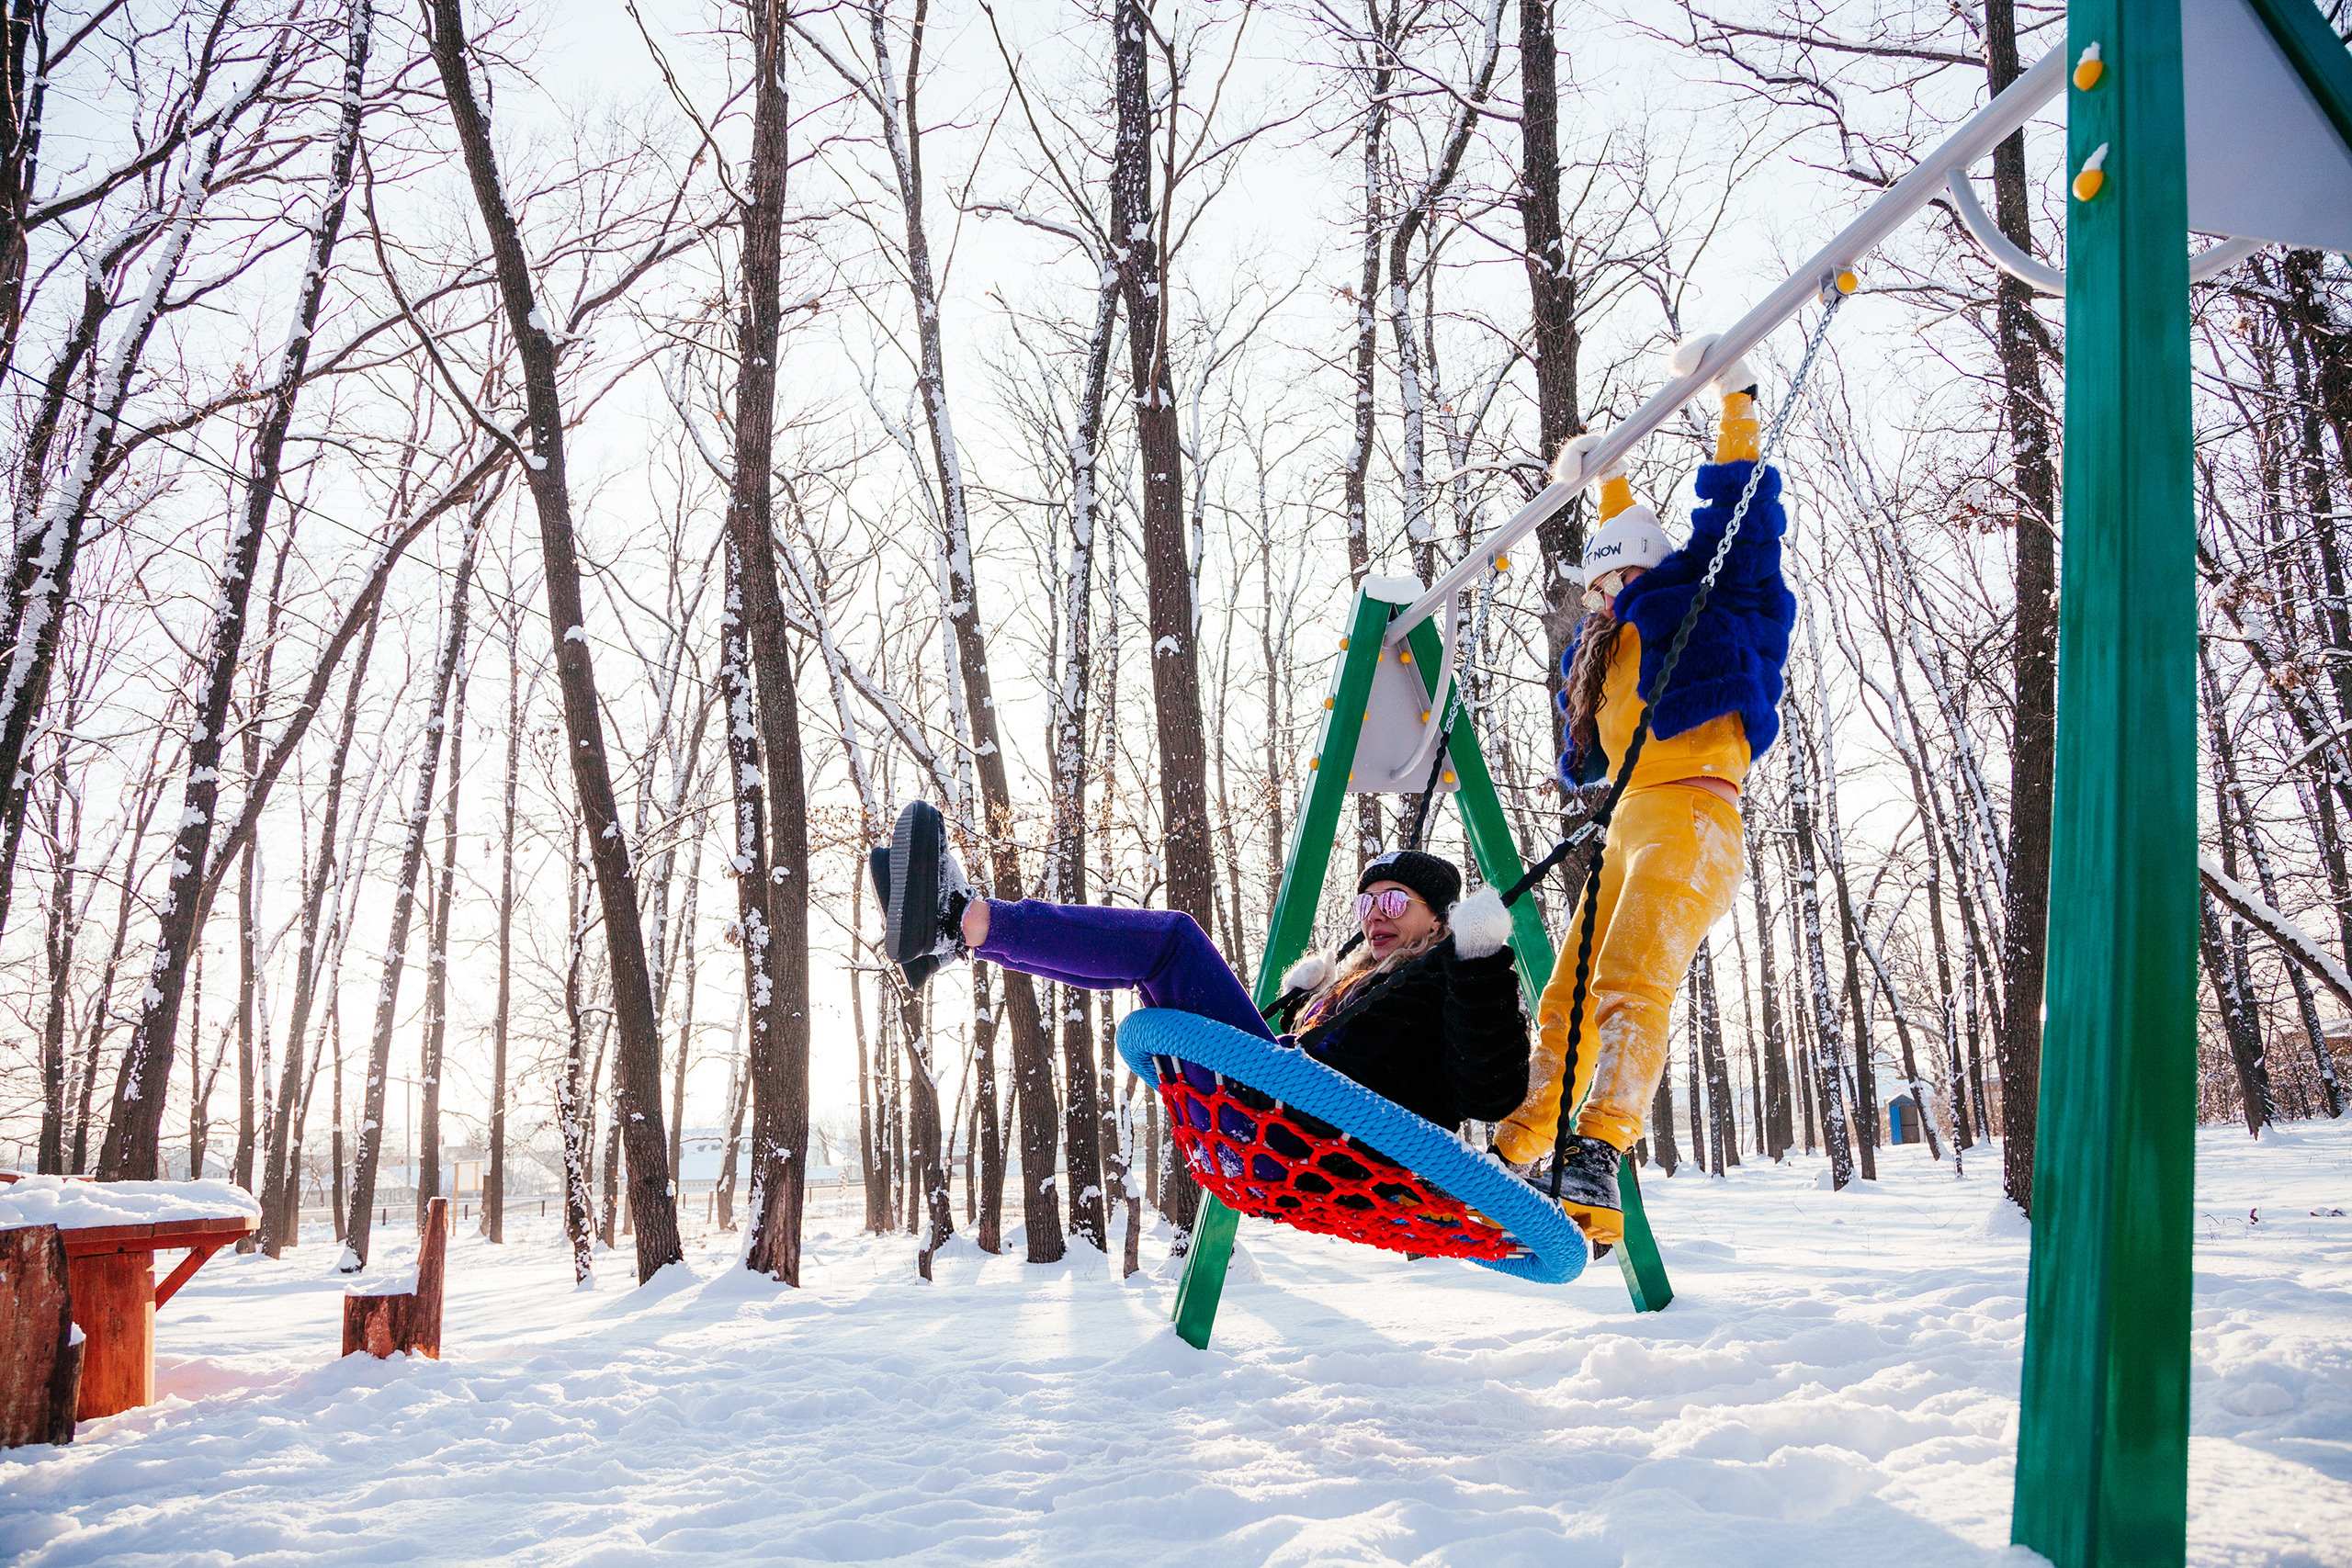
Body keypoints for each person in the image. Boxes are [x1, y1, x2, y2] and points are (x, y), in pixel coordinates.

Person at [1489, 341, 1795, 1246]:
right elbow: (1620, 545)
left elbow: (1736, 521)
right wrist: (1607, 475)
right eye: (1603, 582)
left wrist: (1735, 402)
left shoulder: (1715, 602)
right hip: (1628, 825)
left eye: (1631, 576)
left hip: (1696, 814)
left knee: (1628, 980)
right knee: (1567, 992)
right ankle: (1519, 1144)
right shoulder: (1605, 648)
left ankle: (1600, 1147)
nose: (1617, 591)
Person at [871, 802, 1528, 1134]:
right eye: (1365, 901)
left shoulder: (1447, 973)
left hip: (1314, 1141)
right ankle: (954, 934)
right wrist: (1304, 1006)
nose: (1373, 915)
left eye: (1392, 901)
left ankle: (962, 921)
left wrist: (1480, 961)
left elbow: (1491, 1092)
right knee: (1155, 969)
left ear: (1442, 919)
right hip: (1286, 1122)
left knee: (1173, 941)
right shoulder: (1365, 979)